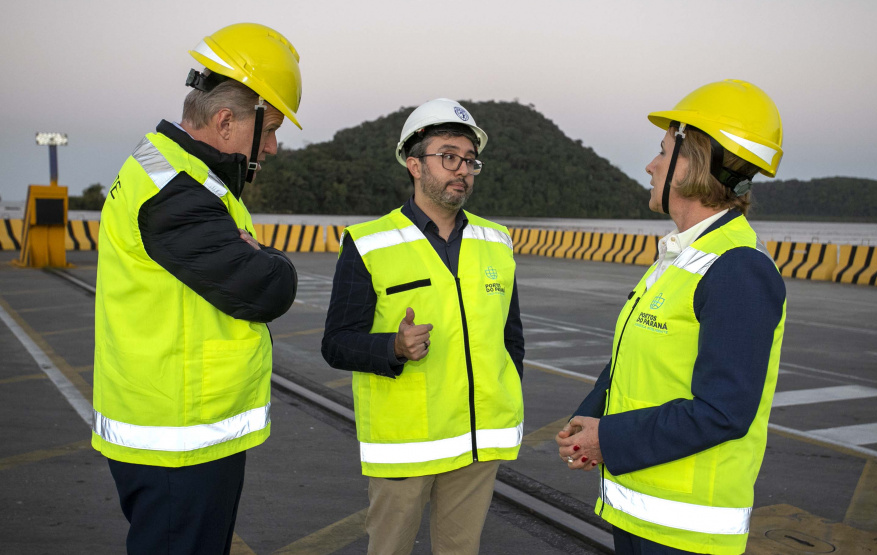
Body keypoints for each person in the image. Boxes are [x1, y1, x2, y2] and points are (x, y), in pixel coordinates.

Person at [91, 23, 302, 555]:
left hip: (183, 428)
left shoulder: (178, 172)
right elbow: (266, 290)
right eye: (270, 129)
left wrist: (257, 256)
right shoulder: (176, 192)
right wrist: (274, 261)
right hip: (176, 439)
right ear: (227, 120)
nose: (273, 147)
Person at [556, 80, 787, 555]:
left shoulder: (737, 267)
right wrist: (592, 412)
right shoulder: (681, 257)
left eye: (663, 151)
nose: (651, 165)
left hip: (687, 532)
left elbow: (724, 411)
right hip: (643, 513)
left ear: (694, 163)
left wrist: (610, 440)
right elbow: (635, 356)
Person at [321, 98, 525, 555]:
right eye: (448, 156)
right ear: (414, 164)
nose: (463, 170)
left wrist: (505, 394)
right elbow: (336, 344)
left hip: (479, 441)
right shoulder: (369, 243)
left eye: (470, 160)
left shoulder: (497, 241)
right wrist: (392, 346)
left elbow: (511, 338)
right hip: (406, 446)